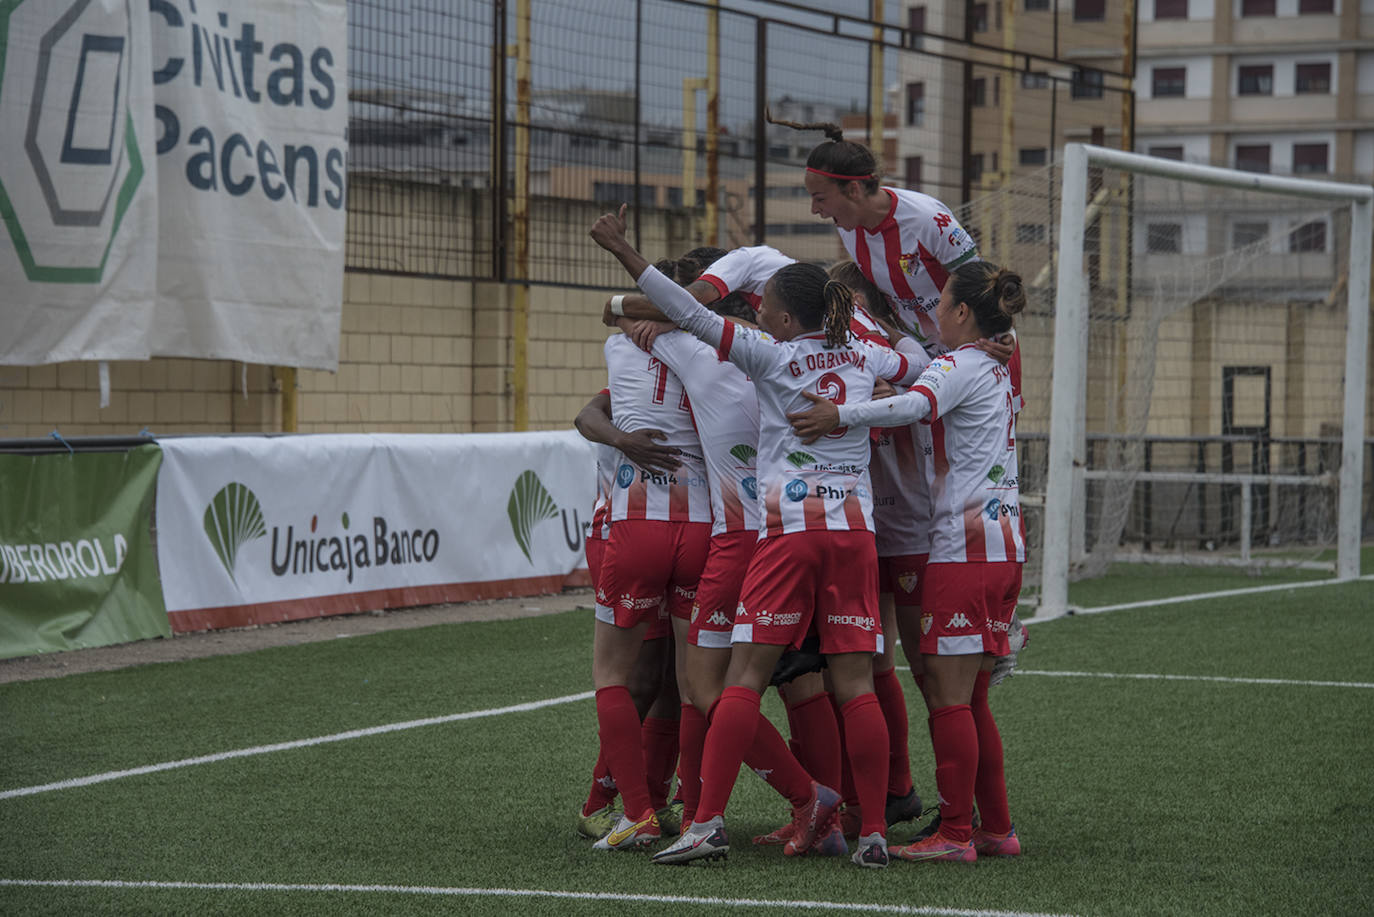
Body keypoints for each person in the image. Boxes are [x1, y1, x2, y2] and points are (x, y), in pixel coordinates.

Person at [591, 204, 933, 869]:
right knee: (840, 682)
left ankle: (718, 816)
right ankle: (865, 830)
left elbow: (669, 315)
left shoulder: (757, 354)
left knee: (720, 686)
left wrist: (623, 265)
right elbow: (915, 369)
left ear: (775, 316)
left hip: (768, 532)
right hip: (855, 531)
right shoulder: (863, 350)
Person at [788, 260, 1028, 863]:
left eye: (942, 304)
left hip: (963, 549)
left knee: (948, 699)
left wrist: (838, 414)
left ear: (964, 313)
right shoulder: (995, 363)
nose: (934, 314)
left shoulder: (962, 363)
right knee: (969, 698)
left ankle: (953, 835)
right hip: (1002, 544)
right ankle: (995, 829)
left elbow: (914, 407)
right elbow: (920, 398)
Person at [585, 329, 712, 850]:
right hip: (705, 525)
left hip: (637, 526)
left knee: (621, 676)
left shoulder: (623, 350)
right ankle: (680, 807)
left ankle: (638, 810)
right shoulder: (723, 359)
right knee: (688, 684)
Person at [571, 391, 685, 839]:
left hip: (678, 537)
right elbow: (585, 417)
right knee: (638, 679)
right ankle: (601, 802)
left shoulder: (699, 374)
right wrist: (624, 440)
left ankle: (655, 800)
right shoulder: (631, 382)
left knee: (673, 680)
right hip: (623, 535)